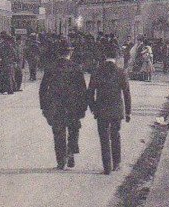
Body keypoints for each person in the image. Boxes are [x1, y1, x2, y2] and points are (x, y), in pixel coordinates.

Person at [39, 38, 87, 170]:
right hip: (73, 106)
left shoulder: (51, 67)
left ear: (58, 52)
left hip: (56, 106)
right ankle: (71, 152)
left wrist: (44, 107)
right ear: (70, 52)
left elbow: (43, 89)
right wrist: (83, 107)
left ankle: (61, 161)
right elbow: (83, 90)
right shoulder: (76, 68)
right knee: (74, 129)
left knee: (58, 133)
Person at [87, 43, 132, 175]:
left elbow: (90, 93)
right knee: (115, 135)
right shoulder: (121, 72)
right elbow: (126, 93)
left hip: (101, 110)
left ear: (104, 55)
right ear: (116, 57)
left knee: (104, 137)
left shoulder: (97, 71)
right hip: (116, 110)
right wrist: (128, 112)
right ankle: (116, 163)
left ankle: (107, 167)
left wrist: (93, 108)